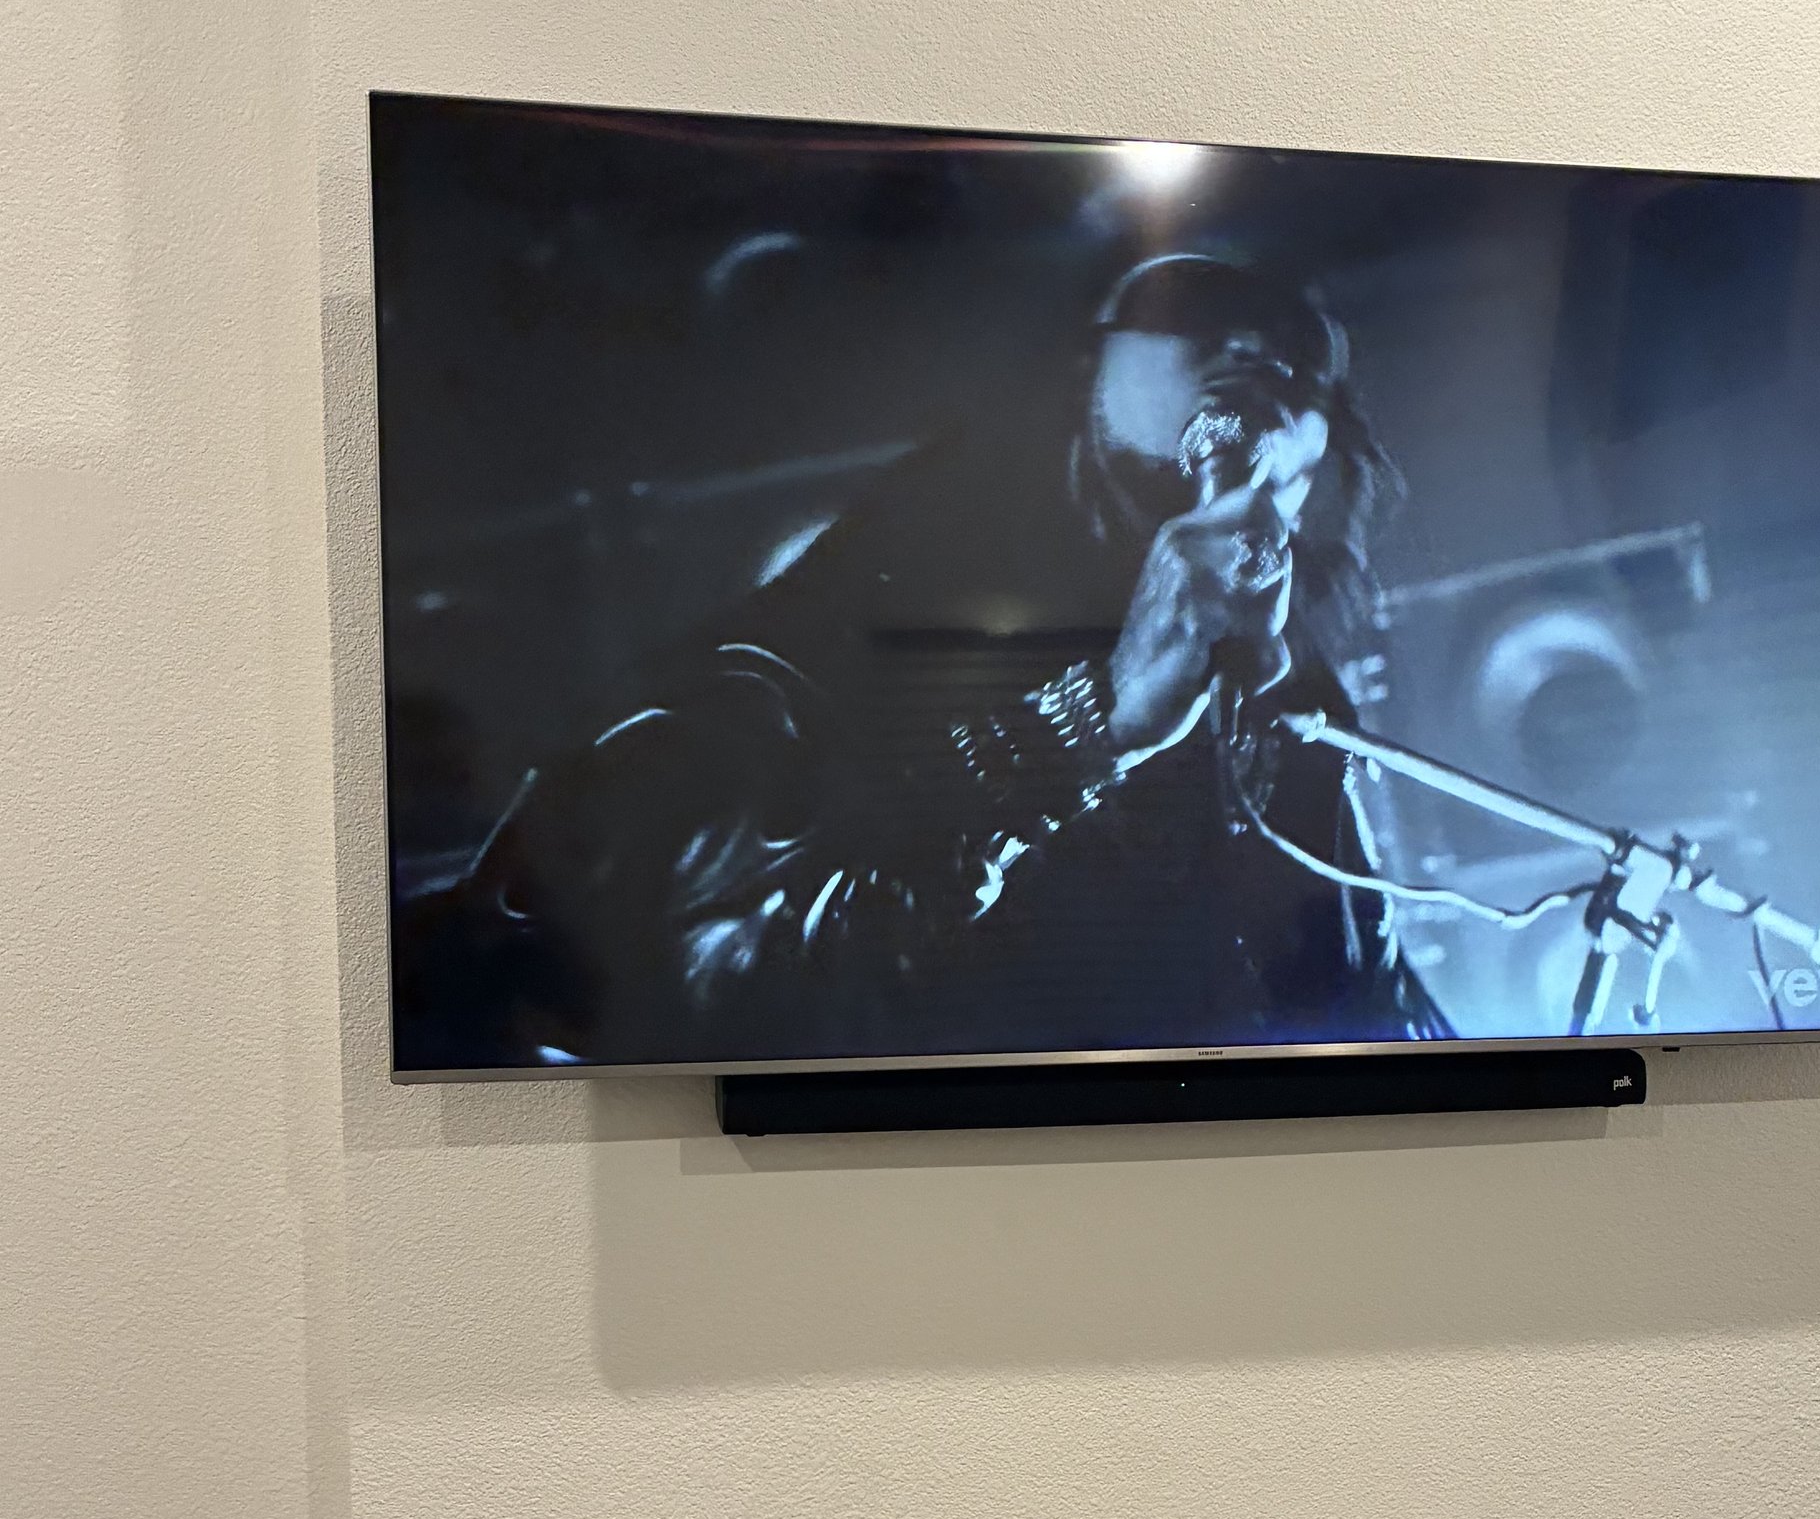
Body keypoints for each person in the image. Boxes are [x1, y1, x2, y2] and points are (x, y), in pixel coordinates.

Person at [395, 250, 1449, 1067]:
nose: (1258, 349)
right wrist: (1101, 718)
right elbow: (708, 993)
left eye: (1300, 365)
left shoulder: (1293, 706)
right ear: (1082, 372)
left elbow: (1361, 1007)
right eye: (1192, 313)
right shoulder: (819, 641)